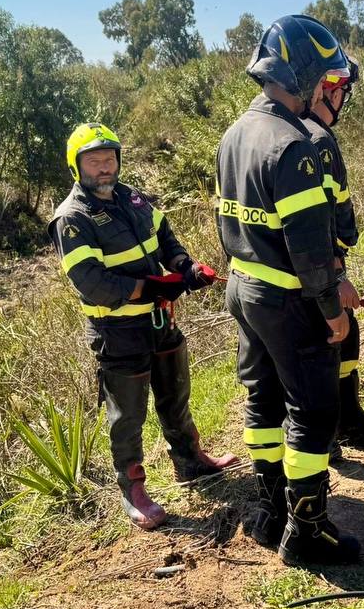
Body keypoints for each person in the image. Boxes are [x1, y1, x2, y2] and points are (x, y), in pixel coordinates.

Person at [217, 13, 360, 566]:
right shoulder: (295, 145)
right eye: (328, 81)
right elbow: (309, 248)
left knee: (263, 398)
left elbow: (227, 221)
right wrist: (331, 309)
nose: (331, 93)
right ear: (302, 76)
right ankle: (307, 531)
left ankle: (271, 510)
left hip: (243, 287)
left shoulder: (235, 134)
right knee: (313, 411)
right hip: (289, 297)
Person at [50, 123, 237, 530]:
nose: (104, 167)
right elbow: (94, 284)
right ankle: (132, 489)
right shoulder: (72, 218)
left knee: (176, 394)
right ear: (77, 166)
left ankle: (190, 461)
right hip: (118, 332)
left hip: (160, 319)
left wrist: (185, 267)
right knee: (128, 415)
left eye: (110, 158)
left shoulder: (132, 197)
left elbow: (165, 237)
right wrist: (152, 287)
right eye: (94, 161)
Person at [300, 58, 364, 452]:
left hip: (301, 271)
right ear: (331, 91)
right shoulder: (317, 140)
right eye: (343, 94)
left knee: (342, 338)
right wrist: (337, 277)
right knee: (333, 339)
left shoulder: (292, 131)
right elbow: (318, 219)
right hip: (317, 272)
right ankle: (332, 430)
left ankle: (343, 419)